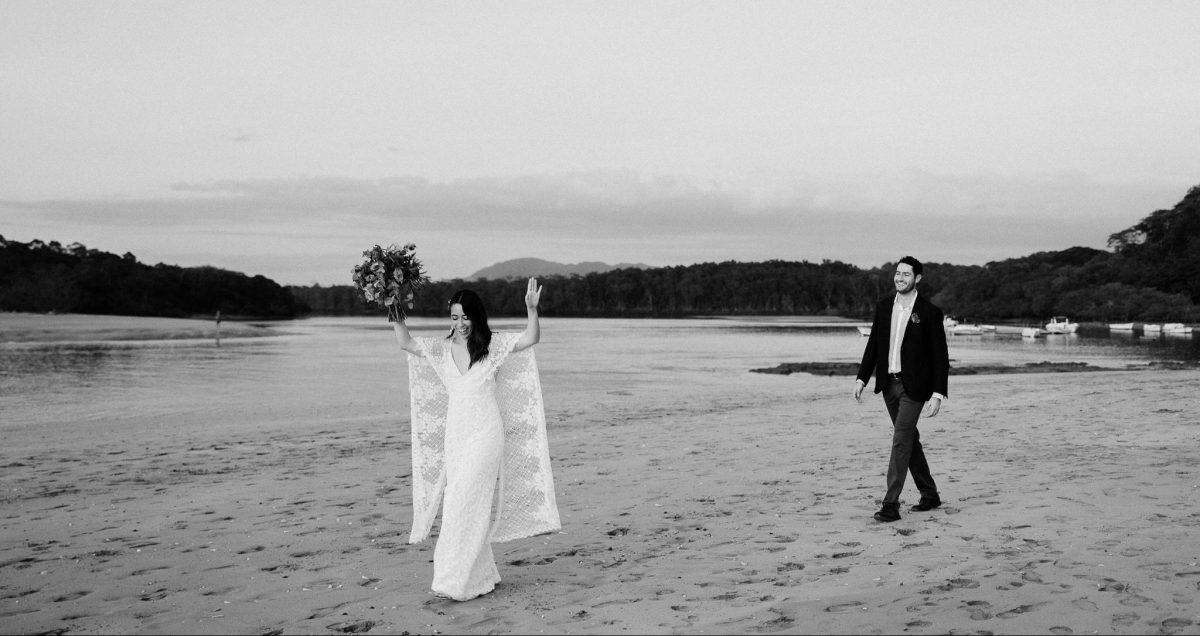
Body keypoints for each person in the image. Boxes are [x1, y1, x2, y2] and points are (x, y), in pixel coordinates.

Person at [391, 277, 560, 601]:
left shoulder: (492, 346)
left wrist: (531, 310)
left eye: (465, 317)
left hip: (485, 434)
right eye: (454, 317)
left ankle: (453, 581)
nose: (460, 323)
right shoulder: (442, 349)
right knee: (464, 502)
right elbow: (406, 343)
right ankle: (481, 576)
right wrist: (393, 309)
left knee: (463, 501)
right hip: (456, 436)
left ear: (476, 317)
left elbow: (530, 338)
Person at [854, 256, 949, 523]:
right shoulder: (884, 307)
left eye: (906, 274)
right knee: (908, 440)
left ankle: (890, 504)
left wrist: (937, 394)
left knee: (900, 439)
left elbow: (940, 356)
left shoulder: (929, 312)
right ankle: (929, 494)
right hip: (888, 385)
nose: (900, 278)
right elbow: (874, 345)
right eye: (898, 273)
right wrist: (862, 378)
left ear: (917, 278)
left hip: (915, 388)